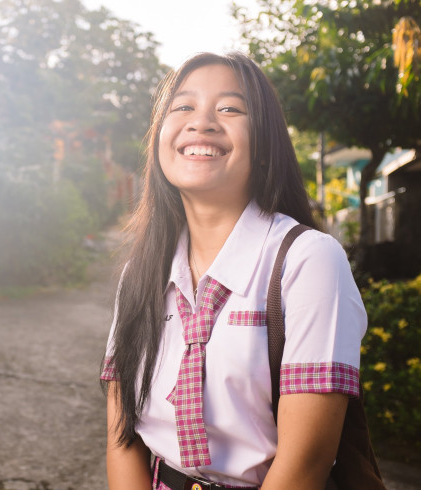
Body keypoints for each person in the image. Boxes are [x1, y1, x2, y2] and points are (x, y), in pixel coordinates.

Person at [100, 52, 366, 490]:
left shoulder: (308, 261)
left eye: (229, 108)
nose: (200, 122)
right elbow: (121, 438)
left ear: (264, 146)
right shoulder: (140, 275)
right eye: (182, 107)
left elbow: (305, 466)